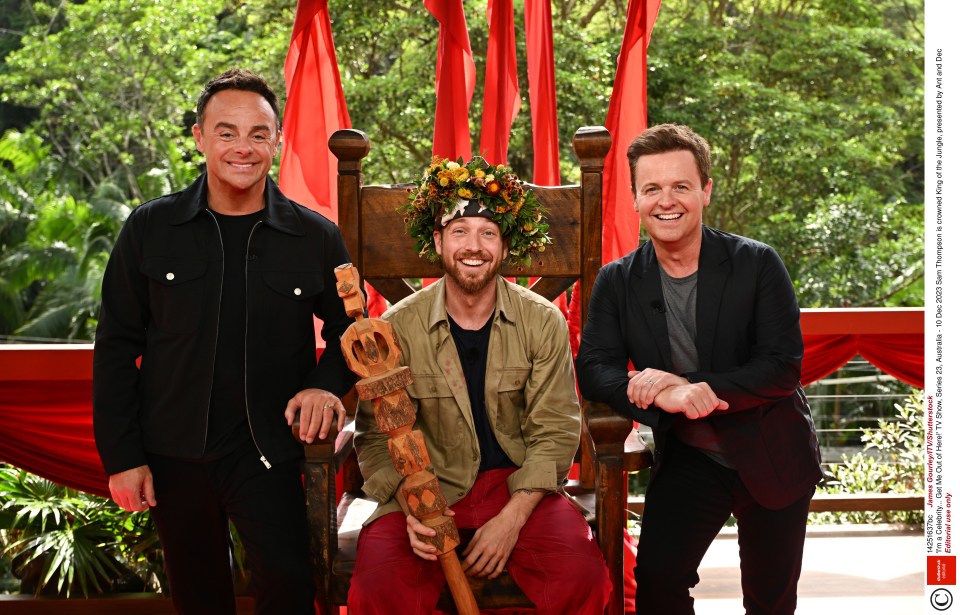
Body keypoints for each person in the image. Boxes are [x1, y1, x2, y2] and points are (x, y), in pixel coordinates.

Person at [92, 68, 356, 614]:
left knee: (288, 588)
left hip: (270, 452)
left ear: (277, 140)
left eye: (258, 134)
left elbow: (351, 335)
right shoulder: (150, 228)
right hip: (172, 452)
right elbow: (116, 346)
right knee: (198, 598)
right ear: (199, 137)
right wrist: (123, 457)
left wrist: (324, 387)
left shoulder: (315, 236)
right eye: (226, 132)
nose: (243, 147)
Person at [576, 123, 823, 615]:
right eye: (652, 189)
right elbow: (594, 367)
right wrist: (656, 393)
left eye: (681, 186)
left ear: (705, 190)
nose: (667, 201)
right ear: (635, 198)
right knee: (658, 582)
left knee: (770, 597)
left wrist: (685, 385)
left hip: (771, 449)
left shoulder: (757, 264)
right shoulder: (618, 280)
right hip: (691, 454)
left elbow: (780, 368)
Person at [346, 157, 611, 614]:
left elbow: (555, 431)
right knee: (379, 585)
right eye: (459, 231)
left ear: (505, 244)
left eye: (488, 233)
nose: (474, 246)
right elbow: (374, 440)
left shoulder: (541, 322)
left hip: (517, 487)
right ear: (437, 241)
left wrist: (512, 518)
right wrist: (412, 508)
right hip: (424, 489)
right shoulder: (396, 328)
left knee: (581, 575)